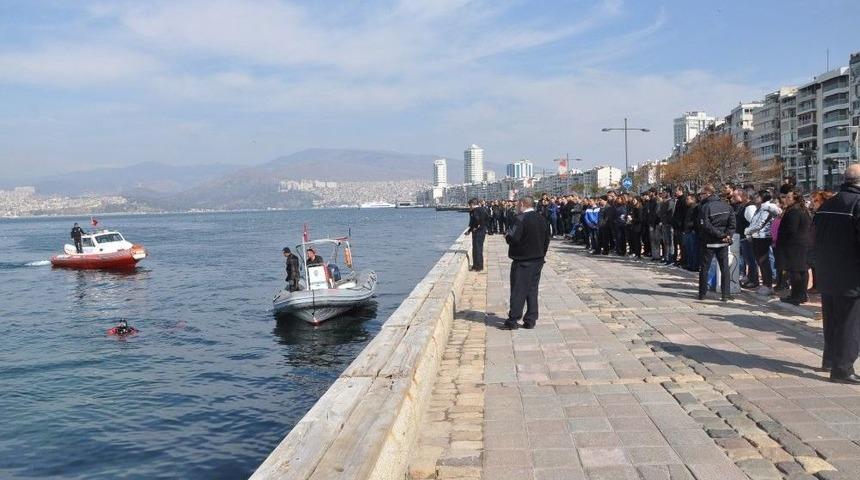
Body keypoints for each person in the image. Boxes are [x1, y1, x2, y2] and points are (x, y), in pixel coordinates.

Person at [815, 164, 860, 383]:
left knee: (832, 319)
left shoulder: (828, 203)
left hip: (827, 271)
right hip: (851, 274)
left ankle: (830, 359)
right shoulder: (857, 203)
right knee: (850, 322)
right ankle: (842, 368)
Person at [502, 196, 550, 330]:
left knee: (518, 290)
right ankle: (531, 319)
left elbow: (513, 238)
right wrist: (542, 253)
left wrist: (507, 236)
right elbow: (547, 239)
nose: (517, 207)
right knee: (532, 290)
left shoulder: (520, 218)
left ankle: (513, 319)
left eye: (518, 204)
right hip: (538, 259)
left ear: (522, 204)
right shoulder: (542, 218)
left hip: (523, 260)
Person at [697, 185, 736, 302]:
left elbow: (705, 225)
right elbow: (732, 224)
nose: (700, 196)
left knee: (704, 268)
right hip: (723, 242)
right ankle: (726, 294)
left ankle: (702, 293)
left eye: (702, 194)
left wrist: (721, 235)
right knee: (725, 268)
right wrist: (727, 236)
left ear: (708, 193)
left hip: (709, 242)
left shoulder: (704, 207)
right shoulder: (727, 206)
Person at [776, 191, 812, 305]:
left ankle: (796, 296)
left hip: (794, 245)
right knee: (802, 270)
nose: (786, 199)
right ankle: (801, 295)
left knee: (795, 270)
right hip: (801, 244)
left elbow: (791, 229)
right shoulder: (801, 209)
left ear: (795, 199)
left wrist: (782, 240)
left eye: (788, 197)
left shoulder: (794, 211)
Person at [744, 190, 782, 296]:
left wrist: (747, 231)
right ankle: (766, 284)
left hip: (763, 237)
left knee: (764, 262)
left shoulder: (766, 208)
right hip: (757, 236)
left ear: (763, 197)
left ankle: (768, 285)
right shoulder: (760, 208)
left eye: (758, 196)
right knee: (761, 262)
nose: (755, 198)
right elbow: (754, 221)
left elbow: (760, 224)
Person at [466, 197, 488, 271]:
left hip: (478, 232)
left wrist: (476, 227)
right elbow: (487, 218)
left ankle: (478, 266)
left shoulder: (475, 211)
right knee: (478, 249)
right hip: (482, 231)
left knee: (477, 249)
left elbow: (476, 221)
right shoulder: (483, 209)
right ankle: (476, 265)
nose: (469, 207)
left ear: (472, 204)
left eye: (469, 205)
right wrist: (470, 230)